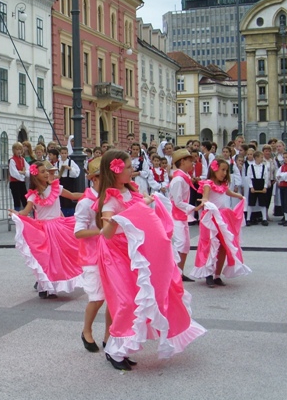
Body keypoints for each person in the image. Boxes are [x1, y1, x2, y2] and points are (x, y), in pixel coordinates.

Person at [96, 150, 205, 370]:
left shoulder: (131, 191)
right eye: (128, 167)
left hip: (134, 250)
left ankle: (119, 347)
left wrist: (146, 202)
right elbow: (106, 233)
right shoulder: (110, 199)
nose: (132, 170)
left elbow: (141, 207)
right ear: (115, 171)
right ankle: (114, 350)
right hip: (115, 253)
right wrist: (117, 219)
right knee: (127, 300)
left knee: (142, 295)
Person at [9, 161, 83, 299]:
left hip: (58, 226)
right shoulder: (33, 195)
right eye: (43, 172)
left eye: (47, 171)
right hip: (43, 229)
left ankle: (52, 285)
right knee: (46, 258)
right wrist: (16, 214)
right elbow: (25, 212)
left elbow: (72, 195)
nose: (47, 174)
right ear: (36, 176)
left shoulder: (56, 187)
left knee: (59, 257)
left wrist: (89, 195)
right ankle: (44, 286)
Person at [189, 158, 251, 287]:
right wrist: (204, 202)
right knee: (210, 244)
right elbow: (206, 197)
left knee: (224, 245)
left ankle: (217, 275)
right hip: (210, 217)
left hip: (222, 217)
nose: (224, 173)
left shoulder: (223, 185)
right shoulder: (208, 184)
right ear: (214, 169)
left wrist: (239, 196)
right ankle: (208, 274)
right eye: (222, 170)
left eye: (226, 170)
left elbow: (228, 192)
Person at [73, 157, 110, 352]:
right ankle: (86, 330)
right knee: (97, 297)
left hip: (111, 253)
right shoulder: (86, 202)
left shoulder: (112, 198)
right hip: (92, 255)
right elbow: (78, 232)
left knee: (114, 297)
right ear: (94, 179)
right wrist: (101, 231)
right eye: (104, 177)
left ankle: (109, 336)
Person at [168, 149, 201, 282]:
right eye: (190, 161)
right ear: (182, 161)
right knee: (181, 243)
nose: (192, 163)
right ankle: (174, 273)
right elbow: (177, 202)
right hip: (176, 216)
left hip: (181, 215)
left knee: (185, 244)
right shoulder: (178, 180)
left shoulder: (183, 177)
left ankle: (179, 273)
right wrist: (193, 208)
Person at [246, 151, 270, 226]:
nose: (262, 159)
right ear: (256, 158)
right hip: (254, 184)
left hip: (261, 184)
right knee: (251, 203)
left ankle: (264, 219)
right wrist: (251, 187)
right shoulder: (251, 167)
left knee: (263, 203)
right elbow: (248, 177)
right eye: (261, 157)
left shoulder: (264, 166)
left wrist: (265, 187)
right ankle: (248, 219)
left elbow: (266, 177)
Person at [57, 146, 81, 216]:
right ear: (60, 154)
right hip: (61, 182)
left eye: (65, 153)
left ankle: (70, 213)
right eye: (62, 153)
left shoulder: (71, 162)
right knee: (62, 198)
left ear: (67, 154)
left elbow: (77, 173)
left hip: (69, 182)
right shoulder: (58, 163)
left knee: (69, 198)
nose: (64, 155)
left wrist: (70, 169)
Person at [8, 142, 29, 212]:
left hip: (21, 182)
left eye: (20, 149)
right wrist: (22, 175)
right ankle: (17, 214)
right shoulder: (12, 160)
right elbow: (14, 173)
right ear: (14, 150)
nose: (19, 151)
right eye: (17, 149)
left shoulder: (23, 159)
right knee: (16, 200)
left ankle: (26, 213)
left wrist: (24, 173)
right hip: (15, 183)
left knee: (25, 199)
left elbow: (28, 169)